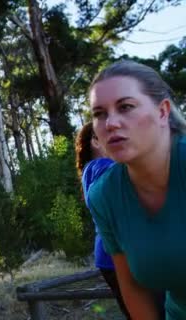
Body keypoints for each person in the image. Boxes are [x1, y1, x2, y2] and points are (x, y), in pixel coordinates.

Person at [87, 59, 186, 319]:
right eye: (99, 114)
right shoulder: (104, 196)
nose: (111, 123)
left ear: (163, 111)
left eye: (126, 107)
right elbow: (133, 287)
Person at [75, 122, 129, 317]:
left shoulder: (91, 169)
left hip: (108, 255)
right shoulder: (102, 166)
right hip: (116, 256)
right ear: (96, 142)